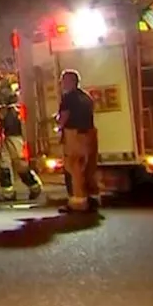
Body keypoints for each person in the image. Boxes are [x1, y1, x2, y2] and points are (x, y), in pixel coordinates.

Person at [57, 69, 100, 213]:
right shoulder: (86, 97)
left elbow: (64, 116)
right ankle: (92, 198)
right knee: (87, 168)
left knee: (74, 167)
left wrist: (58, 127)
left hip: (74, 135)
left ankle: (78, 202)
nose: (62, 84)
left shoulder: (68, 98)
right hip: (89, 134)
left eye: (63, 80)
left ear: (70, 82)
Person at [0, 81, 43, 201]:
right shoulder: (15, 110)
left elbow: (6, 126)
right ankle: (9, 193)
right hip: (11, 139)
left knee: (18, 165)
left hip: (13, 138)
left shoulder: (11, 111)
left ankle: (34, 187)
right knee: (5, 165)